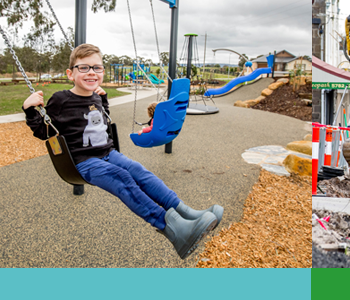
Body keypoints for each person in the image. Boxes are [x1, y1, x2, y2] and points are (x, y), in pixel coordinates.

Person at [22, 44, 223, 259]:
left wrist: (104, 99)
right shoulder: (61, 100)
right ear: (70, 73)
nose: (91, 72)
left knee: (140, 172)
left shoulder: (97, 96)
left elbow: (103, 122)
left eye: (97, 68)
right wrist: (29, 109)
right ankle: (174, 230)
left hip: (108, 153)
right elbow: (45, 132)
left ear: (102, 72)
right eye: (84, 68)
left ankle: (186, 213)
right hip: (82, 161)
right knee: (121, 177)